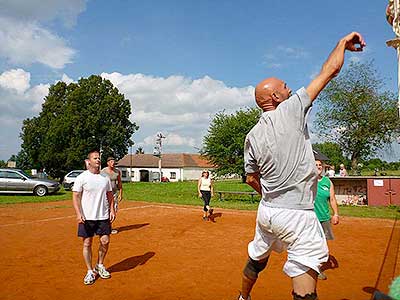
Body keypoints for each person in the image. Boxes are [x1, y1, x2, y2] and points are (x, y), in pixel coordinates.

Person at [238, 32, 365, 300]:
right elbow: (330, 71)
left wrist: (270, 195)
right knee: (305, 289)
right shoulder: (291, 109)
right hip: (297, 216)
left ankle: (242, 297)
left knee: (256, 260)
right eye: (284, 86)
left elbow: (250, 177)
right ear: (275, 96)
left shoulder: (252, 135)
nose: (289, 88)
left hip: (267, 212)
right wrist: (342, 43)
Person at [72, 150, 116, 285]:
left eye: (99, 158)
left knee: (105, 241)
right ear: (89, 161)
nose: (98, 160)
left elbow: (109, 194)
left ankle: (100, 265)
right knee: (87, 243)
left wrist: (112, 209)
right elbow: (75, 196)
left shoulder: (105, 177)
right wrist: (78, 213)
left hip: (102, 215)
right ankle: (90, 271)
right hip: (87, 217)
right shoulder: (82, 178)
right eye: (95, 158)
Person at [314, 159, 339, 280]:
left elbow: (332, 199)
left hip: (324, 217)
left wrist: (336, 214)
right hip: (310, 218)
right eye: (316, 165)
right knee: (312, 243)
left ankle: (317, 266)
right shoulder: (308, 180)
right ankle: (313, 267)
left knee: (322, 244)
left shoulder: (327, 182)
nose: (318, 167)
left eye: (320, 165)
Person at [101, 156, 123, 234]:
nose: (113, 163)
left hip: (114, 194)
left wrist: (120, 193)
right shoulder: (103, 171)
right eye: (111, 162)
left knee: (113, 210)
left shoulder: (117, 172)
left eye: (114, 162)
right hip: (104, 194)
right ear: (108, 163)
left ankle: (109, 227)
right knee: (104, 210)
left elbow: (119, 183)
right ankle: (101, 227)